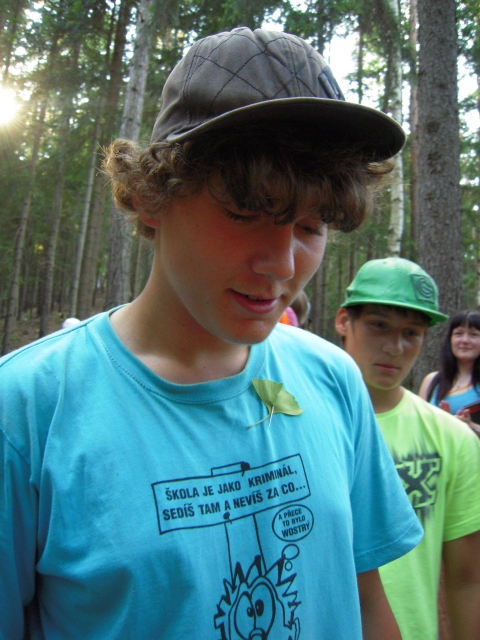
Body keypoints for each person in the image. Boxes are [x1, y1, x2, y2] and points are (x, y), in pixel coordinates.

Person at [0, 28, 422, 639]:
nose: (283, 265)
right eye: (245, 212)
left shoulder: (332, 378)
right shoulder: (28, 412)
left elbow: (366, 601)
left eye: (312, 226)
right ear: (149, 198)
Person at [335, 257, 480, 640]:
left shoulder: (452, 438)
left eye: (411, 333)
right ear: (344, 321)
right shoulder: (293, 423)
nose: (395, 347)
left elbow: (467, 578)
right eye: (379, 325)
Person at [419, 310, 480, 435]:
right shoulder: (432, 381)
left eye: (474, 335)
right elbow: (418, 427)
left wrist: (470, 426)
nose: (464, 340)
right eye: (458, 334)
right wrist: (443, 422)